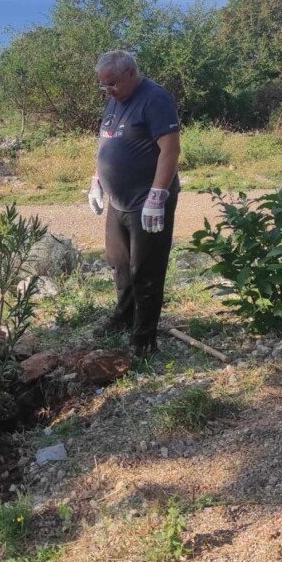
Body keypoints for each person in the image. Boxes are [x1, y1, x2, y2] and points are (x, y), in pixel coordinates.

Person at [87, 50, 182, 358]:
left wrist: (158, 195)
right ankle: (125, 316)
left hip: (147, 201)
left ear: (130, 73)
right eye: (103, 86)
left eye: (112, 83)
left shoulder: (154, 99)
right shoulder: (115, 97)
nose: (108, 90)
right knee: (119, 264)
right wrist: (96, 180)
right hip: (119, 201)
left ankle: (144, 336)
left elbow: (170, 150)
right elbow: (106, 142)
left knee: (146, 269)